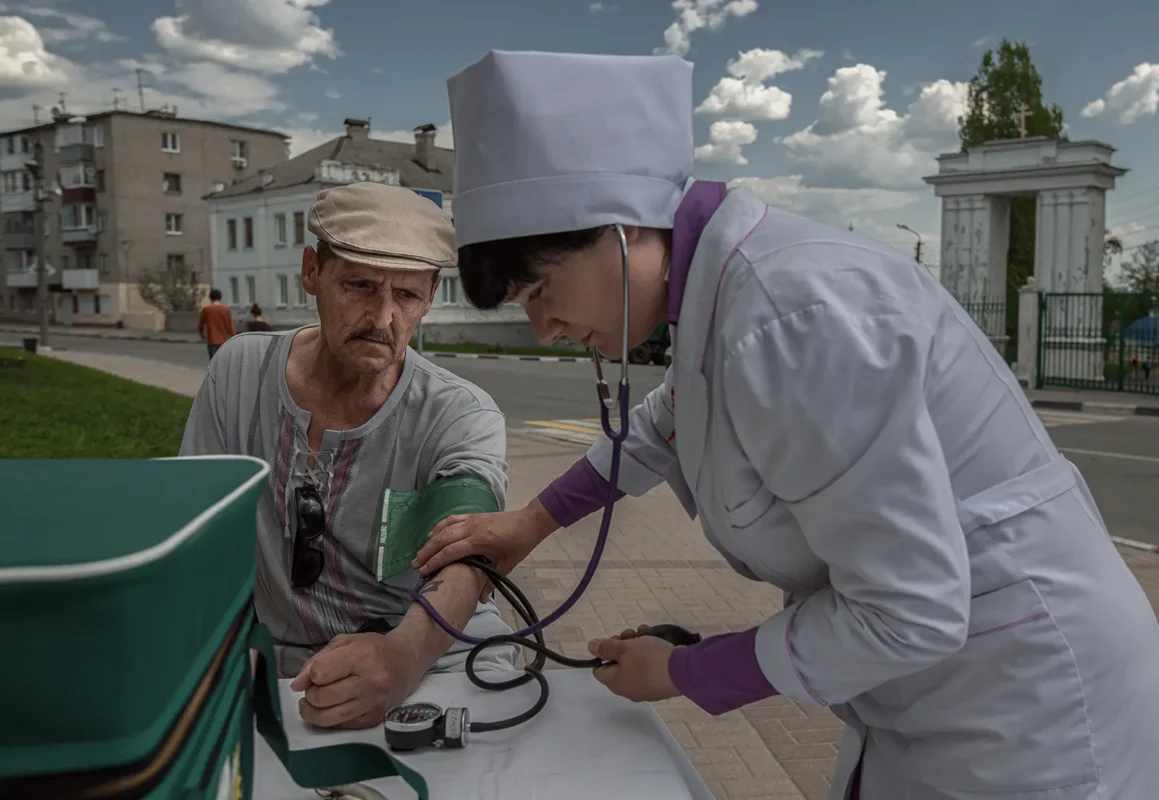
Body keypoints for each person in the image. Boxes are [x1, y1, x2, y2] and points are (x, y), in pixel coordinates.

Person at [413, 50, 1159, 798]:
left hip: (1024, 705)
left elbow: (908, 610)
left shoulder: (789, 317)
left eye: (541, 290)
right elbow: (659, 428)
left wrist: (683, 671)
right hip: (928, 692)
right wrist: (530, 524)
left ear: (619, 230)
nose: (543, 328)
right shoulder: (724, 301)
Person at [180, 181, 516, 730]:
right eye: (359, 285)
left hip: (436, 658)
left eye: (406, 296)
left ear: (430, 296)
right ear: (312, 271)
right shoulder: (239, 372)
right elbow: (196, 529)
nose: (382, 317)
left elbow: (467, 562)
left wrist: (402, 660)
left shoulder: (461, 415)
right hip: (279, 664)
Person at [197, 288, 235, 361]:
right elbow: (231, 326)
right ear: (220, 297)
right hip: (225, 341)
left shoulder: (207, 310)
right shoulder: (226, 309)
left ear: (210, 298)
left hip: (212, 341)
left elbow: (200, 326)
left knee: (214, 364)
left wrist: (204, 337)